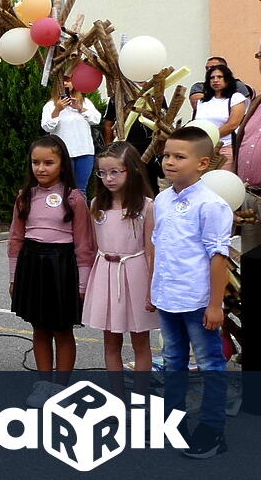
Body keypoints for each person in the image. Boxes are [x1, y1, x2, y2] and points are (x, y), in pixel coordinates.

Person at [151, 126, 232, 458]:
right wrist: (153, 290)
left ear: (202, 163)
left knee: (211, 364)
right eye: (167, 155)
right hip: (168, 298)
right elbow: (161, 247)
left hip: (198, 302)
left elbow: (218, 257)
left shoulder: (211, 205)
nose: (169, 162)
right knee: (173, 362)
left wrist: (215, 305)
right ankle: (174, 425)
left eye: (179, 157)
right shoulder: (162, 199)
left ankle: (213, 431)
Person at [8, 135, 95, 407]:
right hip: (32, 264)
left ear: (62, 164)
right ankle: (44, 383)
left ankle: (61, 388)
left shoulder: (74, 198)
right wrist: (14, 276)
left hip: (62, 266)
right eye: (36, 162)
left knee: (62, 329)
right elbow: (15, 240)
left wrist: (82, 284)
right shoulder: (25, 196)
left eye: (49, 162)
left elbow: (84, 244)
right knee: (40, 327)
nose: (41, 168)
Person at [84, 141, 158, 396]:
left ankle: (139, 398)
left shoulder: (147, 206)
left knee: (140, 341)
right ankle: (117, 398)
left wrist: (151, 289)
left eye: (115, 171)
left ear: (133, 170)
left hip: (136, 273)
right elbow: (95, 247)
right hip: (106, 274)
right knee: (111, 340)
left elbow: (151, 249)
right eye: (102, 173)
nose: (108, 178)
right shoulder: (96, 205)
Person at [41, 73, 101, 191]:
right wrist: (57, 110)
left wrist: (80, 108)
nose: (65, 83)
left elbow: (96, 120)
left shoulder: (85, 102)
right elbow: (47, 127)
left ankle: (80, 210)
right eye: (62, 81)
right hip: (62, 153)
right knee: (64, 189)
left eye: (68, 80)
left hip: (84, 152)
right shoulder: (50, 105)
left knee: (80, 190)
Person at [193, 64, 247, 170]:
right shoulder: (202, 101)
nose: (215, 80)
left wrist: (209, 137)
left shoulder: (236, 98)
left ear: (227, 79)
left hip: (225, 147)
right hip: (202, 149)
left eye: (219, 77)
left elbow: (232, 125)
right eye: (212, 78)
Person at [189, 55, 253, 108]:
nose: (209, 70)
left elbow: (247, 108)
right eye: (207, 68)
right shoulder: (199, 86)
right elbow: (198, 106)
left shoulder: (238, 85)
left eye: (212, 67)